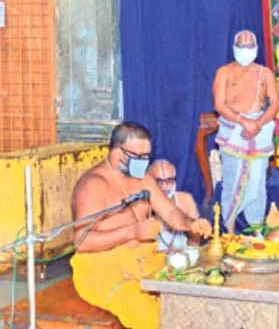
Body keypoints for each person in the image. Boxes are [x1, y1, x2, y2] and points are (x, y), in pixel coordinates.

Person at [70, 122, 212, 329]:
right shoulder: (93, 184)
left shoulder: (143, 179)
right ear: (118, 153)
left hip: (144, 261)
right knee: (144, 311)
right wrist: (131, 232)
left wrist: (191, 223)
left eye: (147, 156)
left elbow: (170, 212)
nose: (144, 162)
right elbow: (81, 241)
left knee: (191, 291)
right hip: (102, 269)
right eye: (139, 157)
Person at [212, 29, 279, 233]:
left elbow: (275, 102)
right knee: (233, 182)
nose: (245, 50)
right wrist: (242, 121)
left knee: (257, 183)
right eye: (241, 46)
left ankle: (257, 230)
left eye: (250, 46)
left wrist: (257, 124)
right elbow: (219, 104)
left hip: (260, 130)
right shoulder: (224, 72)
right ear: (234, 48)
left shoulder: (264, 72)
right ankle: (229, 232)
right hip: (233, 130)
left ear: (256, 49)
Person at [148, 159, 200, 252]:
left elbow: (195, 241)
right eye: (159, 181)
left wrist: (186, 254)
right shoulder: (143, 204)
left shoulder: (185, 199)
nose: (164, 186)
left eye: (169, 180)